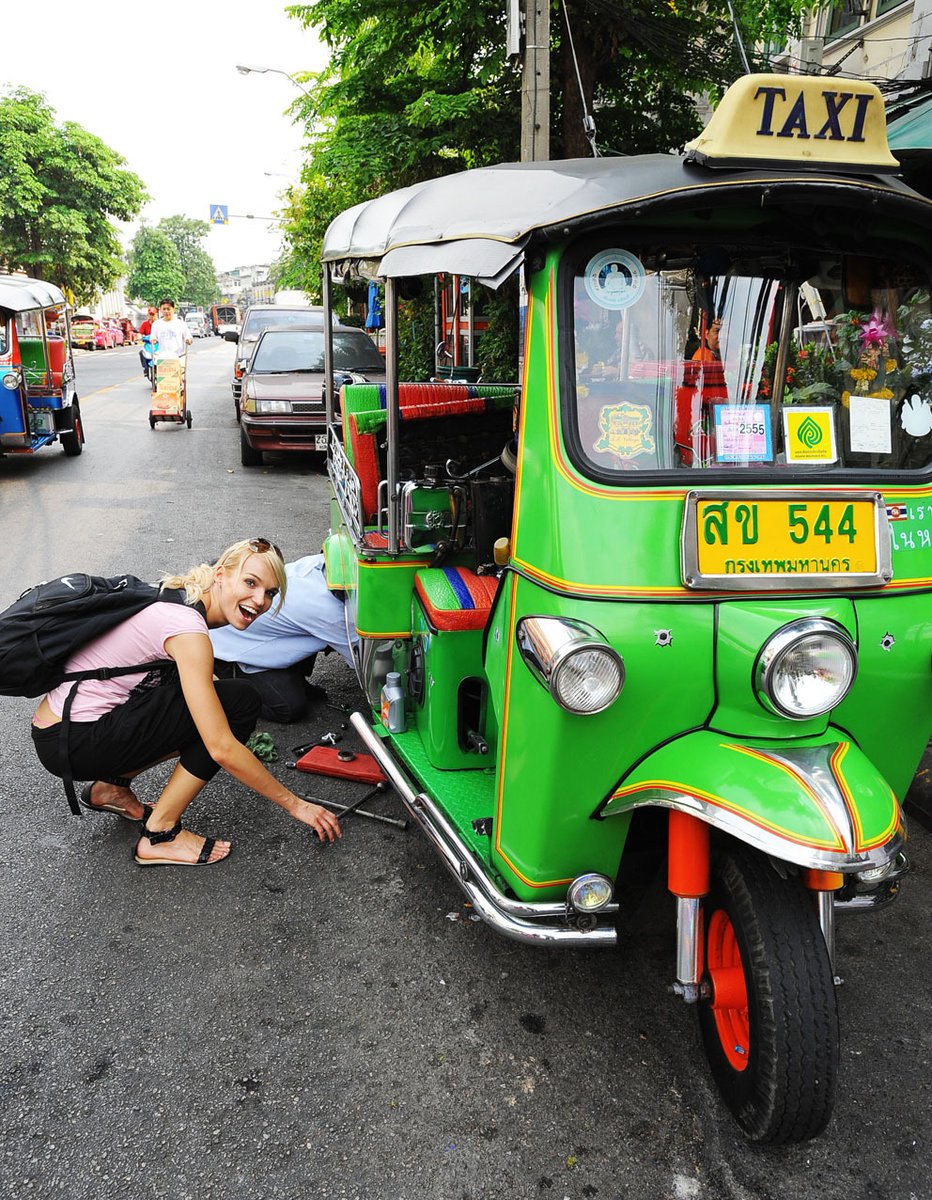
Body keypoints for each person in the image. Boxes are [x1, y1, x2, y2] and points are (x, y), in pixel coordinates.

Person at [29, 539, 341, 867]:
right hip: (75, 741)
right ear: (221, 574)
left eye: (271, 593)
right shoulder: (189, 631)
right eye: (250, 583)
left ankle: (112, 788)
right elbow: (220, 746)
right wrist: (296, 805)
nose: (260, 600)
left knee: (223, 701)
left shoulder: (177, 596)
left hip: (61, 731)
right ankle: (160, 834)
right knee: (240, 704)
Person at [209, 553, 356, 723]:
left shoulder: (326, 565)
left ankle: (293, 677)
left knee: (310, 631)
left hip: (261, 634)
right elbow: (368, 667)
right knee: (288, 708)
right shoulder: (334, 613)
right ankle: (226, 679)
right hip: (225, 648)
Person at [150, 297, 193, 363]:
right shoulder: (156, 324)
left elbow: (188, 337)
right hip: (162, 358)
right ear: (160, 310)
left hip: (178, 357)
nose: (166, 311)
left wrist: (189, 340)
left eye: (168, 309)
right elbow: (153, 338)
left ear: (173, 309)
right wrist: (153, 341)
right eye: (164, 309)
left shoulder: (181, 324)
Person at [138, 306, 157, 377]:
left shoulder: (159, 323)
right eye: (150, 314)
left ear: (156, 314)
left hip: (158, 345)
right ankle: (145, 369)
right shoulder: (145, 324)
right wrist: (139, 338)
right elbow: (140, 333)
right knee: (141, 353)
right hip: (149, 345)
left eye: (153, 314)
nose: (152, 316)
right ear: (148, 315)